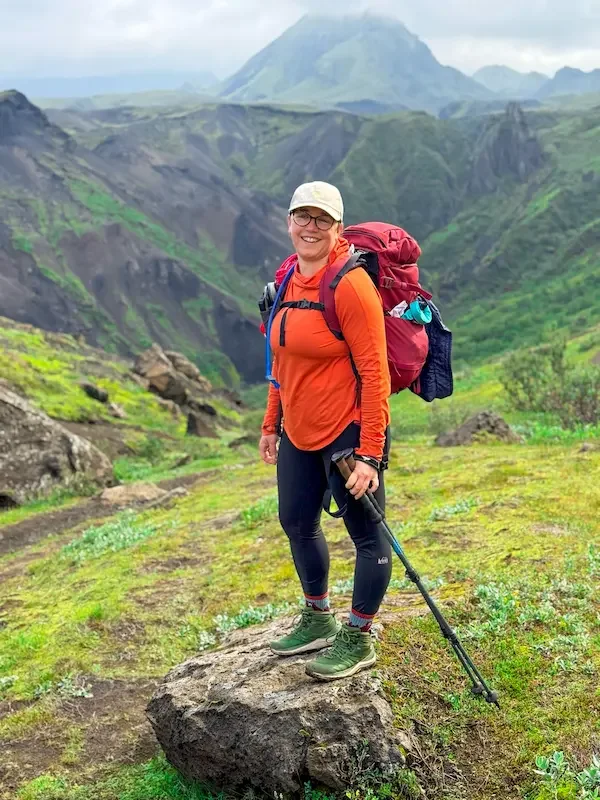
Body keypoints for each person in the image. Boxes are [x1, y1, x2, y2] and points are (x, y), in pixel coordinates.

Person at [259, 180, 392, 681]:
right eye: (302, 217)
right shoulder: (287, 279)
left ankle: (358, 637)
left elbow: (375, 373)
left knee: (367, 535)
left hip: (348, 433)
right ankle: (317, 617)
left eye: (322, 219)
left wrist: (371, 454)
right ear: (289, 222)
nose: (310, 227)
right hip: (297, 428)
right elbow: (282, 358)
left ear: (338, 227)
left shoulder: (351, 285)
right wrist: (272, 422)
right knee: (295, 521)